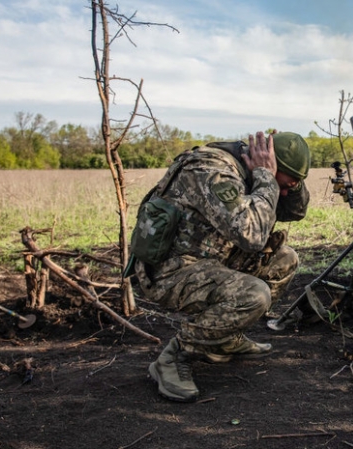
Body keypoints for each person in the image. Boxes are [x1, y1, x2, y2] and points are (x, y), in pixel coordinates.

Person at [132, 130, 311, 402]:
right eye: (282, 185)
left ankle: (224, 337)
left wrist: (288, 185)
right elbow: (252, 235)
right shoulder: (212, 171)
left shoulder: (253, 172)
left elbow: (294, 212)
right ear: (265, 165)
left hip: (210, 259)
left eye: (289, 187)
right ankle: (173, 357)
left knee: (284, 260)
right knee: (253, 294)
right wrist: (265, 177)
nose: (283, 192)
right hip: (170, 270)